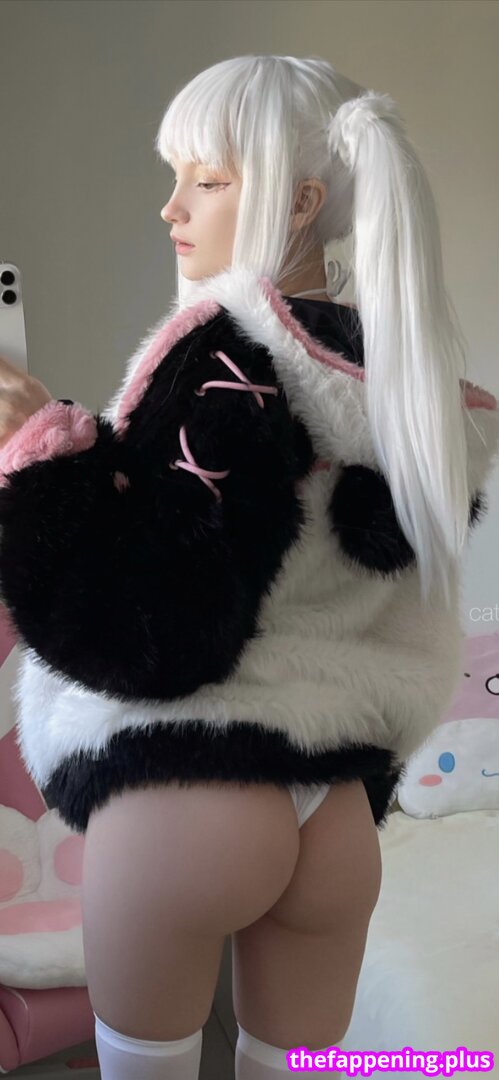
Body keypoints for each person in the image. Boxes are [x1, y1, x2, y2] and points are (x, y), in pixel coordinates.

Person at [0, 54, 497, 1080]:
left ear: (301, 201)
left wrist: (35, 458)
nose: (172, 206)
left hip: (187, 786)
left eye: (208, 179)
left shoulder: (224, 355)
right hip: (335, 811)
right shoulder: (416, 389)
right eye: (175, 175)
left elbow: (149, 635)